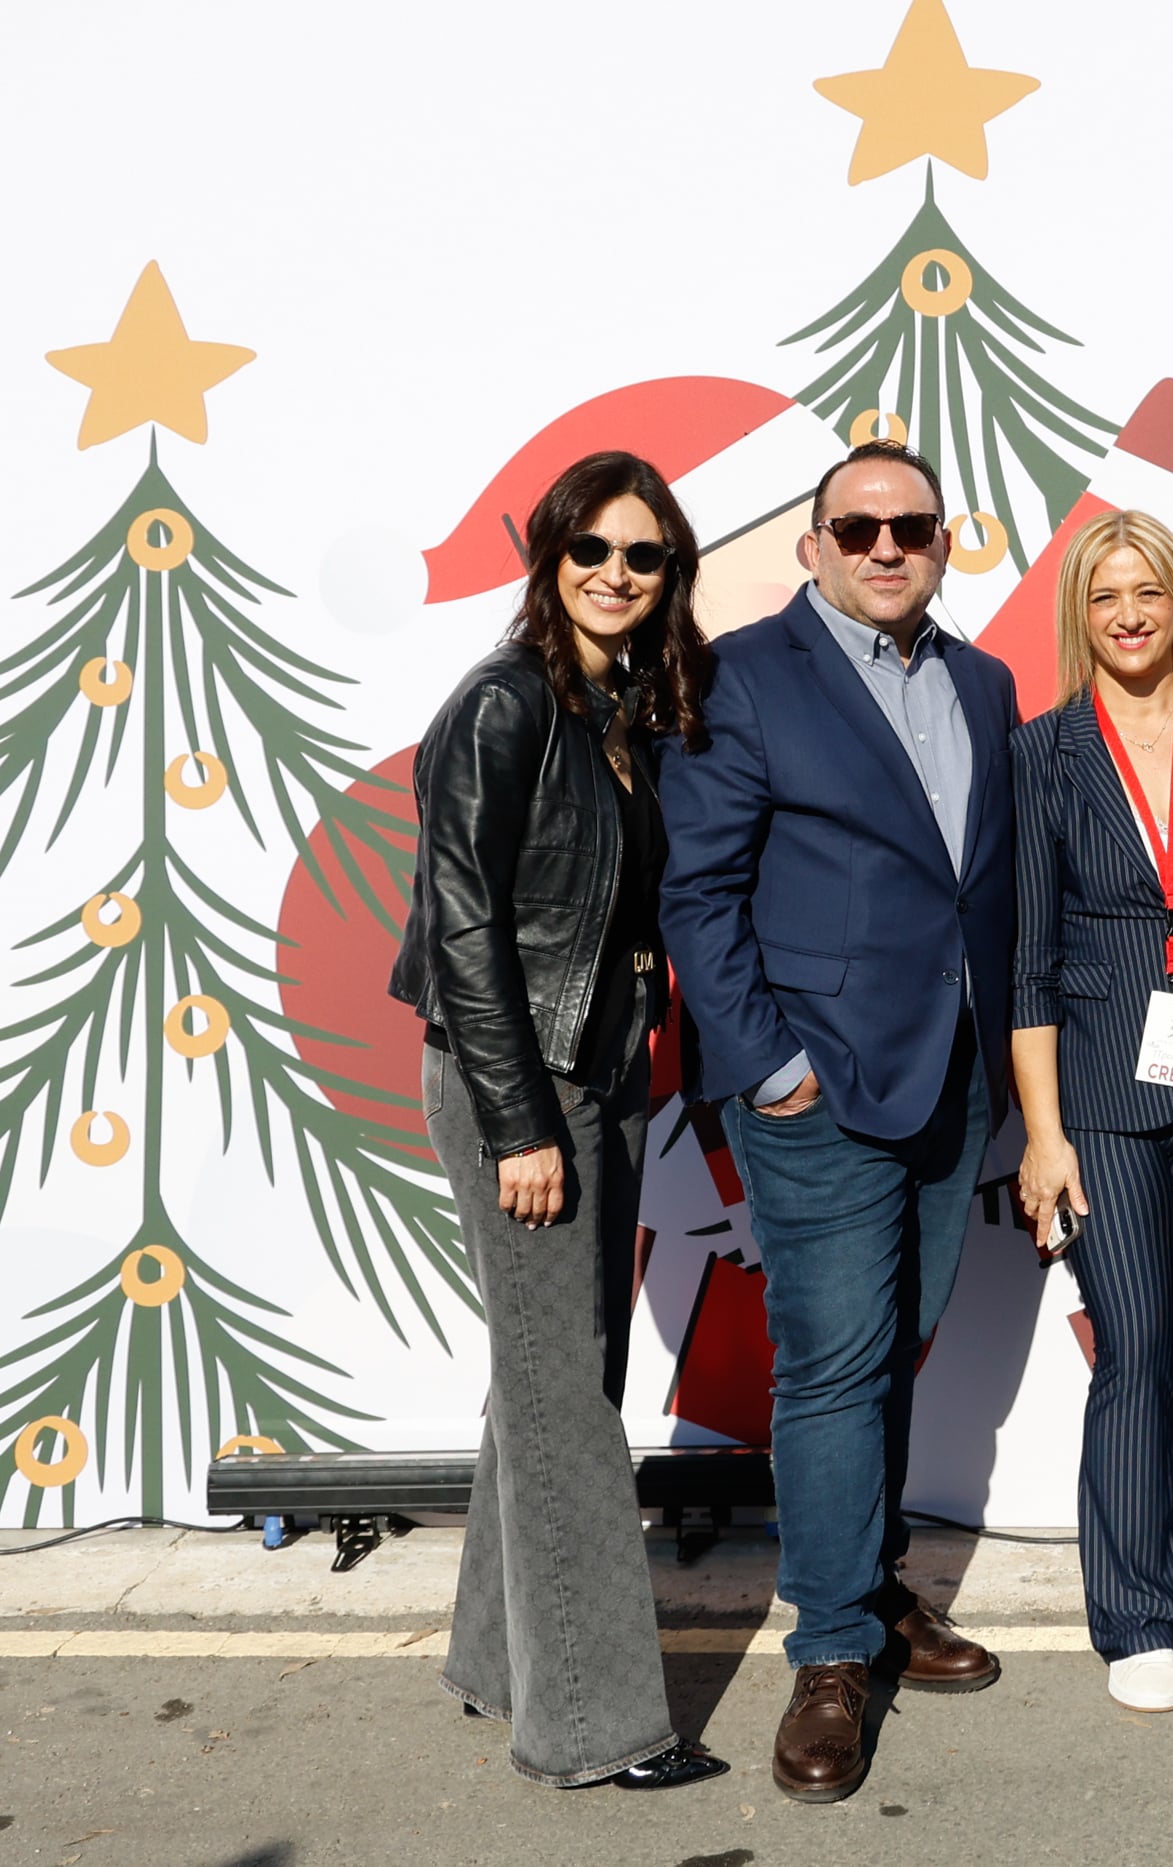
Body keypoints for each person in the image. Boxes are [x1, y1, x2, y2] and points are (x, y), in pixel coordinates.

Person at [656, 439, 1013, 1804]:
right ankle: (826, 1653)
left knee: (892, 1348)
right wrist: (770, 1067)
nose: (885, 547)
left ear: (942, 541)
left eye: (910, 525)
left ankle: (869, 1586)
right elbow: (699, 892)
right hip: (820, 1091)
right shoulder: (743, 675)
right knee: (831, 1364)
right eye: (856, 528)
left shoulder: (981, 680)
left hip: (950, 1079)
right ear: (813, 546)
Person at [389, 450, 725, 1790]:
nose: (616, 574)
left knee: (549, 1374)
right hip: (521, 1080)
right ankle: (593, 1724)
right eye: (593, 548)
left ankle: (497, 1660)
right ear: (551, 556)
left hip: (599, 1069)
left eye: (643, 555)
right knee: (565, 1395)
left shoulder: (615, 704)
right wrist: (521, 1118)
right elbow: (462, 927)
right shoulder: (505, 703)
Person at [1007, 511, 1173, 1713]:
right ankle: (1136, 1608)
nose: (1127, 614)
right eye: (1104, 594)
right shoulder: (1043, 751)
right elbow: (1027, 962)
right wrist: (1043, 1134)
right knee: (1139, 1344)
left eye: (1146, 590)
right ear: (1081, 613)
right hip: (1101, 1090)